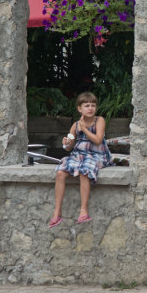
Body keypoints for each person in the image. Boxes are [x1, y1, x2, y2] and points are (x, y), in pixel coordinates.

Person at [49, 92, 113, 228]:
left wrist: (84, 129)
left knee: (84, 172)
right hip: (79, 154)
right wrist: (66, 143)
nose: (90, 108)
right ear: (80, 109)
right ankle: (57, 211)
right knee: (60, 172)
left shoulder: (99, 120)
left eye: (93, 105)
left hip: (97, 155)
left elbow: (97, 139)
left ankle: (84, 210)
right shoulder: (75, 125)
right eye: (87, 105)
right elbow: (68, 147)